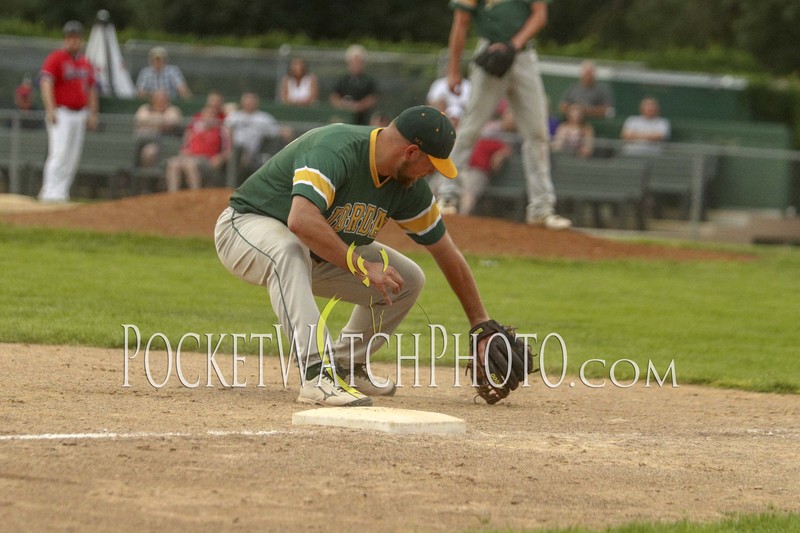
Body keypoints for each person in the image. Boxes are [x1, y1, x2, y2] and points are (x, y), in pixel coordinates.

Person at [214, 105, 496, 406]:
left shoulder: (407, 186)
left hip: (315, 253)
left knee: (410, 279)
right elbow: (300, 220)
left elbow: (446, 252)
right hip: (244, 229)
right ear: (411, 153)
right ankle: (316, 375)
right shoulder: (336, 149)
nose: (430, 174)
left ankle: (345, 365)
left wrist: (480, 323)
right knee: (289, 249)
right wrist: (362, 267)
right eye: (430, 165)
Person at [440, 0, 572, 230]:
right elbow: (461, 22)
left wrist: (513, 45)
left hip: (522, 55)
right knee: (470, 129)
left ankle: (541, 209)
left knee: (537, 133)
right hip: (490, 51)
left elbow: (540, 15)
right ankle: (447, 196)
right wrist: (453, 70)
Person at [37, 20, 99, 203]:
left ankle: (61, 193)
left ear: (81, 40)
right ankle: (49, 193)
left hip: (80, 113)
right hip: (61, 112)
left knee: (73, 156)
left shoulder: (85, 62)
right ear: (65, 39)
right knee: (59, 153)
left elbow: (92, 89)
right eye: (70, 37)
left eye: (77, 37)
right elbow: (46, 83)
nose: (74, 41)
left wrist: (93, 113)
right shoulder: (56, 58)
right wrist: (51, 109)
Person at [458, 107, 515, 216]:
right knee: (439, 184)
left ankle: (462, 217)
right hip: (464, 167)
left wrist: (501, 154)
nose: (510, 119)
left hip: (478, 171)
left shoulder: (514, 135)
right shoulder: (492, 127)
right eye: (508, 116)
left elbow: (508, 150)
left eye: (512, 117)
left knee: (468, 192)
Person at [224, 92, 292, 179]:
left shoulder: (263, 118)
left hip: (253, 153)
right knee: (237, 152)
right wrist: (229, 149)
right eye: (247, 101)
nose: (250, 103)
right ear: (242, 102)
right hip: (234, 150)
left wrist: (286, 131)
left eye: (252, 101)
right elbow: (226, 132)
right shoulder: (234, 116)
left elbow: (277, 130)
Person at [165, 104, 231, 192]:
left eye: (211, 115)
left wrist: (221, 157)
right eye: (206, 115)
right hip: (190, 157)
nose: (208, 117)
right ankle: (173, 194)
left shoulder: (221, 130)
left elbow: (228, 150)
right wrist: (184, 152)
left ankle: (195, 194)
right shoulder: (193, 129)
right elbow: (185, 146)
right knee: (173, 163)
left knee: (189, 165)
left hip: (207, 159)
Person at [329, 44, 378, 125]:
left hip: (362, 120)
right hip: (344, 120)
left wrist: (357, 106)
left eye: (358, 62)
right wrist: (342, 105)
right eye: (353, 62)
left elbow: (372, 99)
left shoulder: (368, 80)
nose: (355, 65)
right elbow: (334, 96)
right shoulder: (342, 79)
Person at [133, 89, 183, 168]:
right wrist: (160, 121)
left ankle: (147, 178)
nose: (160, 101)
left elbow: (172, 122)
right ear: (152, 100)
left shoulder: (173, 110)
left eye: (163, 99)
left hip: (162, 142)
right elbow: (140, 120)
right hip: (143, 139)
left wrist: (150, 121)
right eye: (157, 99)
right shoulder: (144, 108)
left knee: (149, 153)